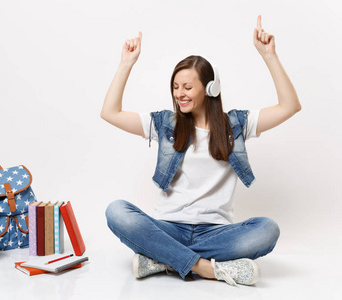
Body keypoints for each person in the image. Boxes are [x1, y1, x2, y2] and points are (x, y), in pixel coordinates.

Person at [100, 15, 301, 286]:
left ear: (210, 88)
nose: (179, 93)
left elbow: (290, 106)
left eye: (187, 87)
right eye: (175, 87)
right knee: (117, 211)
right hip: (169, 228)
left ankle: (162, 260)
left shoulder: (236, 125)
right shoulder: (164, 124)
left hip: (216, 233)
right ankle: (205, 268)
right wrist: (126, 64)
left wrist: (269, 56)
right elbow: (109, 113)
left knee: (267, 230)